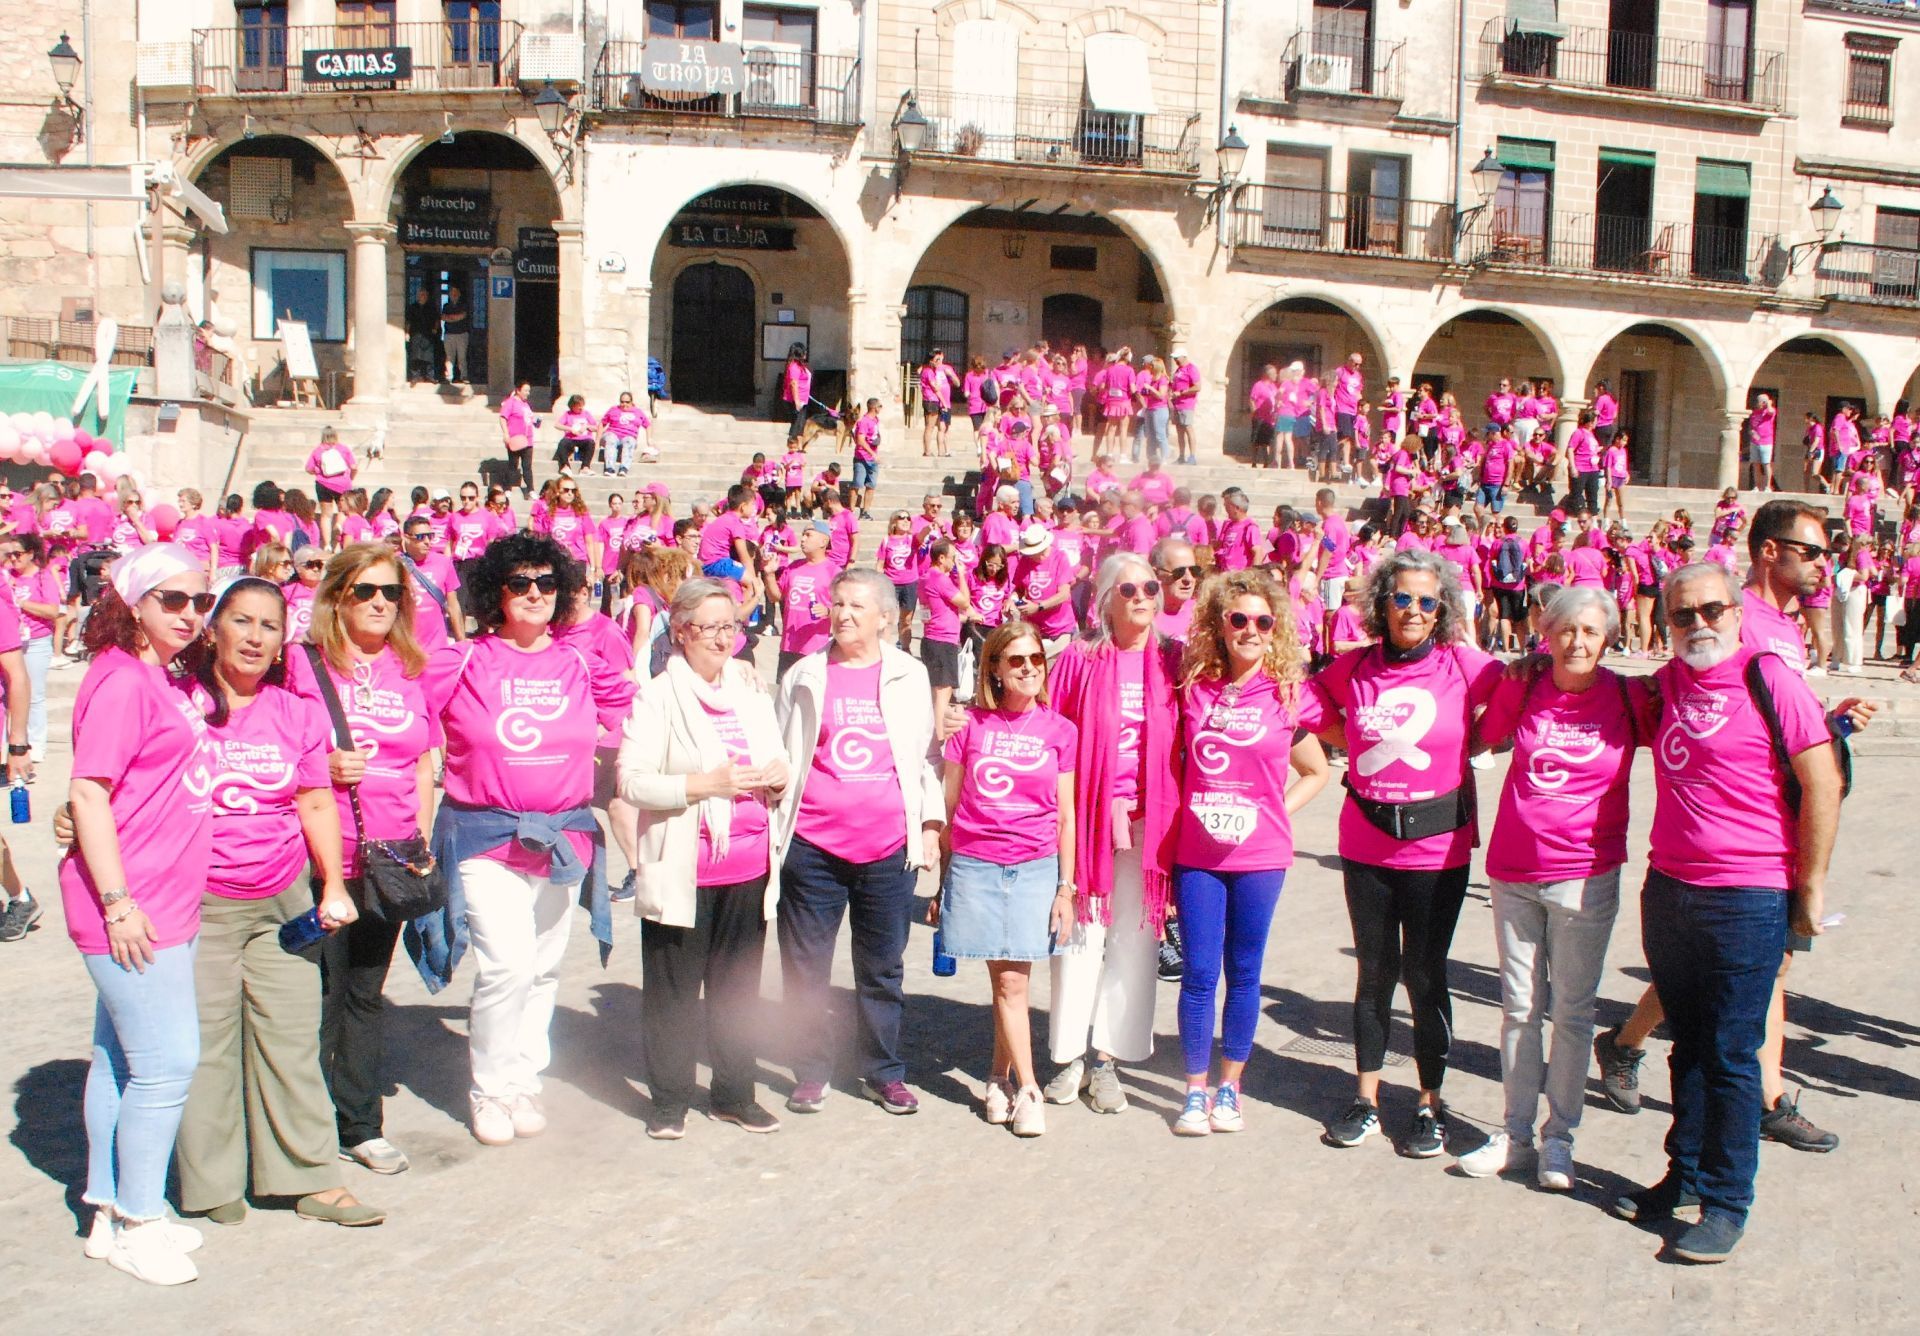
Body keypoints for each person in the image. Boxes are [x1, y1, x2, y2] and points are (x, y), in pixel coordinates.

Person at [1609, 562, 1841, 1262]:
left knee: (1734, 1056)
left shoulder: (1768, 677)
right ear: (1666, 624)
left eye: (1711, 609)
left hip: (1748, 894)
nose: (1698, 623)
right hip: (1672, 888)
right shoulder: (1669, 684)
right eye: (1682, 614)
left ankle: (1727, 1200)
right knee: (1689, 1047)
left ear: (1737, 614)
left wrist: (1813, 884)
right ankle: (1684, 1174)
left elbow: (1821, 777)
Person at [166, 576, 384, 1229]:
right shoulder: (179, 705)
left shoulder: (296, 712)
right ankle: (212, 1182)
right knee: (207, 1043)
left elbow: (315, 801)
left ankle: (309, 1177)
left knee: (290, 1035)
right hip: (197, 900)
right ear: (214, 628)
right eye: (242, 621)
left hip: (284, 898)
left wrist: (334, 885)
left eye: (269, 625)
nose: (256, 637)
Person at [418, 533, 635, 1145]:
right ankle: (489, 1088)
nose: (535, 594)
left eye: (546, 583)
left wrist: (737, 678)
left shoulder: (579, 663)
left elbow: (641, 709)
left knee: (541, 970)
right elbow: (398, 714)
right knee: (506, 967)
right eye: (520, 583)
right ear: (496, 593)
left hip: (563, 837)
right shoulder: (461, 660)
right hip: (484, 837)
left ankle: (523, 1081)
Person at [1301, 549, 1502, 1156]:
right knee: (1374, 973)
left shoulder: (1466, 666)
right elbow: (1310, 706)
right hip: (1365, 844)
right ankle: (1365, 1098)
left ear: (1441, 610)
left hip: (1437, 850)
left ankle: (1428, 1104)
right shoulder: (1352, 667)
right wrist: (1358, 739)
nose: (1413, 610)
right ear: (1383, 601)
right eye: (1402, 597)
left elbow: (1506, 715)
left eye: (1426, 601)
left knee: (1426, 974)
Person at [1452, 586, 1639, 1189]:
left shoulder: (1631, 697)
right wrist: (1509, 676)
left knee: (1573, 1015)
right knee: (1519, 1011)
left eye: (1589, 631)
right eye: (1565, 630)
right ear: (1546, 633)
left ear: (1607, 637)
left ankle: (1560, 1139)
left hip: (1586, 875)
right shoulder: (1529, 684)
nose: (1577, 642)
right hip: (1514, 872)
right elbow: (1481, 739)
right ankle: (1515, 1135)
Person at [61, 544, 211, 1285]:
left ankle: (106, 1207)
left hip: (165, 894)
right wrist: (118, 902)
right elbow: (88, 792)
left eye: (199, 601)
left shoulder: (159, 675)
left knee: (119, 1061)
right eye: (172, 600)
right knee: (167, 1063)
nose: (189, 614)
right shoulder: (122, 681)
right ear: (134, 603)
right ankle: (139, 1219)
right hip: (133, 903)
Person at [284, 544, 438, 1176]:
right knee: (311, 991)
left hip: (390, 858)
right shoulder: (302, 665)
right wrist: (319, 766)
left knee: (364, 993)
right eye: (366, 591)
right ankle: (300, 1123)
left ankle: (359, 1123)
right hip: (320, 857)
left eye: (391, 592)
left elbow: (423, 761)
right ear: (338, 596)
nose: (380, 602)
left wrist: (420, 841)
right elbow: (262, 742)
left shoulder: (410, 666)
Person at [620, 579, 790, 1139]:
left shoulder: (749, 691)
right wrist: (703, 785)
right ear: (681, 632)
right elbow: (632, 781)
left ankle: (735, 1094)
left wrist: (779, 774)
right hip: (684, 868)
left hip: (748, 865)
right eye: (712, 627)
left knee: (737, 991)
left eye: (731, 627)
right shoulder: (657, 697)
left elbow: (778, 756)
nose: (724, 638)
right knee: (673, 993)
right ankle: (668, 1100)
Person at [772, 567, 945, 1115]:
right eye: (838, 604)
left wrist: (930, 826)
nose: (843, 614)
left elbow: (923, 757)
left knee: (882, 967)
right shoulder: (804, 673)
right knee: (805, 967)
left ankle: (882, 1071)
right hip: (813, 846)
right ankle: (810, 1070)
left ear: (885, 618)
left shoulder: (910, 675)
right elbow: (785, 752)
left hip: (886, 847)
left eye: (856, 606)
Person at [1169, 569, 1329, 1136]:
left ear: (1275, 628)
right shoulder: (1194, 688)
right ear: (1220, 624)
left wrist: (1277, 810)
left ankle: (1230, 1087)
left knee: (1245, 973)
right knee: (1197, 973)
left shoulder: (1288, 693)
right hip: (1199, 856)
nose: (1251, 629)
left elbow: (1317, 770)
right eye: (1239, 619)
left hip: (1261, 857)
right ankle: (1194, 1090)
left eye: (1263, 621)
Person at [1043, 554, 1179, 1115]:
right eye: (1129, 589)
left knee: (1134, 940)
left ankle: (1109, 1060)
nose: (1143, 596)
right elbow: (1048, 727)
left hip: (1152, 822)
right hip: (1090, 818)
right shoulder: (1078, 660)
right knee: (1080, 937)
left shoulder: (1175, 660)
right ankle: (1069, 1056)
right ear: (1106, 600)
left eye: (1151, 586)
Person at [934, 620, 1077, 1137]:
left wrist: (1067, 886)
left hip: (1036, 868)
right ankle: (1006, 1080)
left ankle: (1020, 1085)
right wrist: (944, 878)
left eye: (1036, 659)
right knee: (1007, 984)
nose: (1029, 669)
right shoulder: (969, 727)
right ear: (993, 667)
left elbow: (1066, 815)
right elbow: (950, 805)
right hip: (977, 866)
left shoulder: (1061, 730)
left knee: (1012, 983)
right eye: (1016, 660)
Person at [305, 426, 357, 543]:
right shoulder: (343, 449)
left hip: (323, 484)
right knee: (342, 510)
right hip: (343, 484)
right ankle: (338, 528)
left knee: (326, 515)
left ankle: (327, 544)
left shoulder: (318, 450)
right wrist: (350, 478)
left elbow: (308, 468)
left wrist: (318, 471)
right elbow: (354, 466)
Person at [500, 382, 537, 498]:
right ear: (518, 390)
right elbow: (502, 418)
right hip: (515, 438)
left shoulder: (526, 404)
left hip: (528, 439)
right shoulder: (510, 402)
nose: (528, 393)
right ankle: (508, 487)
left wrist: (536, 421)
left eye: (529, 391)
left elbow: (529, 419)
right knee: (513, 464)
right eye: (525, 390)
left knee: (527, 466)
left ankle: (530, 489)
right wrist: (506, 434)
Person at [405, 287, 442, 384]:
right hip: (416, 334)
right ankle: (416, 377)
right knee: (415, 356)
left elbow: (437, 320)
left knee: (428, 356)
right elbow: (408, 321)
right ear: (418, 296)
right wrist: (407, 333)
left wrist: (435, 329)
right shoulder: (413, 307)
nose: (423, 297)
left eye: (425, 295)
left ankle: (430, 376)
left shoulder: (431, 307)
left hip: (428, 335)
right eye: (421, 295)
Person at [782, 345, 813, 443]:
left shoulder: (800, 366)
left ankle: (798, 445)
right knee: (796, 424)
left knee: (800, 424)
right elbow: (794, 383)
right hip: (795, 400)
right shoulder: (794, 366)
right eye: (804, 351)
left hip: (804, 399)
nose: (806, 354)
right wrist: (797, 401)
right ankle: (792, 444)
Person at [441, 283, 471, 384]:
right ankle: (449, 377)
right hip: (449, 334)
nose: (453, 294)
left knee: (462, 357)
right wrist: (455, 318)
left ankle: (464, 376)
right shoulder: (446, 306)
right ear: (449, 294)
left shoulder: (464, 305)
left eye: (455, 292)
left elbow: (462, 316)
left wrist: (451, 318)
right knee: (449, 357)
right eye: (452, 292)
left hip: (462, 334)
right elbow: (444, 317)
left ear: (459, 294)